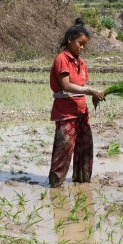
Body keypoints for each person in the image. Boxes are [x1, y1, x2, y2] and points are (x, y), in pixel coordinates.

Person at [48, 19, 105, 187]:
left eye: (84, 45)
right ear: (70, 40)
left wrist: (93, 95)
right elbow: (66, 85)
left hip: (81, 111)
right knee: (64, 149)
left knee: (84, 148)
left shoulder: (81, 62)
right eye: (80, 43)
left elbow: (81, 85)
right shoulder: (62, 59)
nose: (82, 47)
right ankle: (55, 185)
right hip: (66, 112)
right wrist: (90, 91)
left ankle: (82, 183)